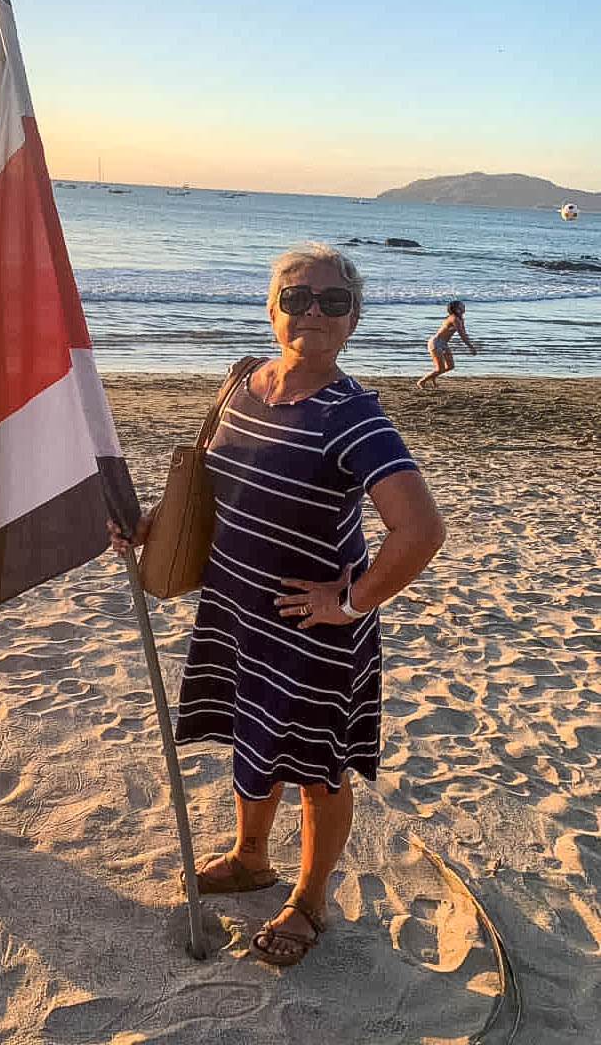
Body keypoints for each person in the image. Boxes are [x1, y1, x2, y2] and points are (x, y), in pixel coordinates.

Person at [110, 243, 445, 967]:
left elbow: (421, 529)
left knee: (318, 772)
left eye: (332, 301)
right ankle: (251, 857)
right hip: (235, 612)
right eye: (297, 298)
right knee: (252, 739)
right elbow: (205, 479)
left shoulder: (354, 415)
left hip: (310, 627)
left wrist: (350, 601)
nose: (313, 312)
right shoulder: (241, 381)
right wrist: (155, 527)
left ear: (353, 320)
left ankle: (309, 898)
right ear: (272, 309)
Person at [417, 300, 476, 389]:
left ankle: (433, 377)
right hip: (436, 343)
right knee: (440, 368)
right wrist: (470, 347)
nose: (464, 307)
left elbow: (464, 333)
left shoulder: (460, 319)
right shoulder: (454, 318)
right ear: (456, 309)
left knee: (450, 366)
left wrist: (470, 343)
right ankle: (422, 381)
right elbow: (461, 335)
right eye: (461, 306)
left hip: (444, 344)